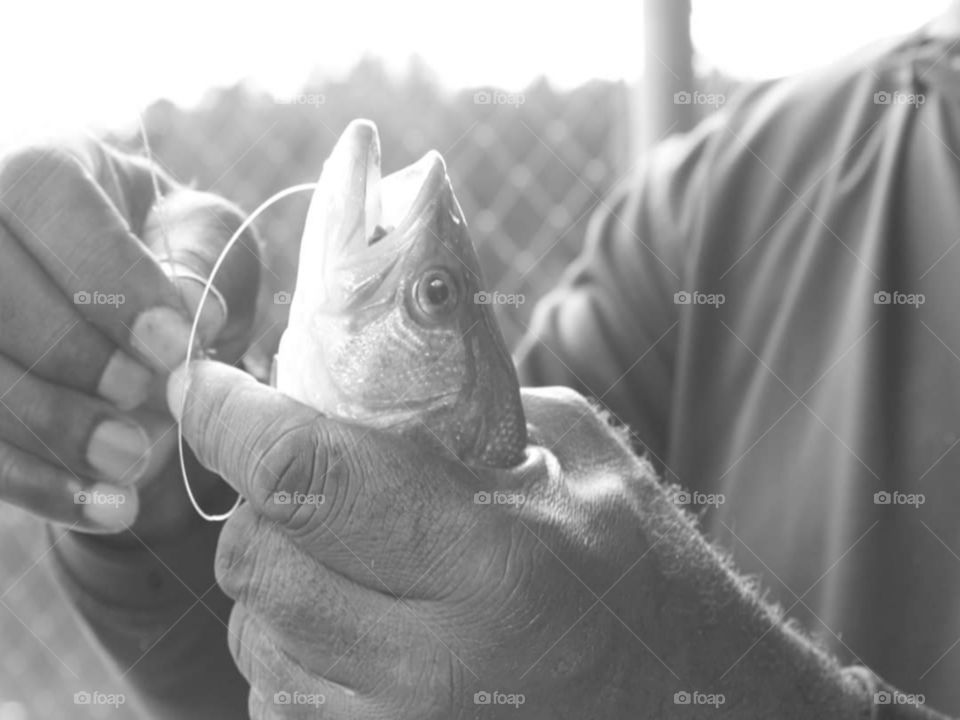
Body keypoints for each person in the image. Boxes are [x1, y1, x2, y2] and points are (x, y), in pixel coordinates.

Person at [2, 9, 960, 720]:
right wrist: (159, 470)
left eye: (430, 295)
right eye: (436, 297)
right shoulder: (725, 198)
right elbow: (449, 622)